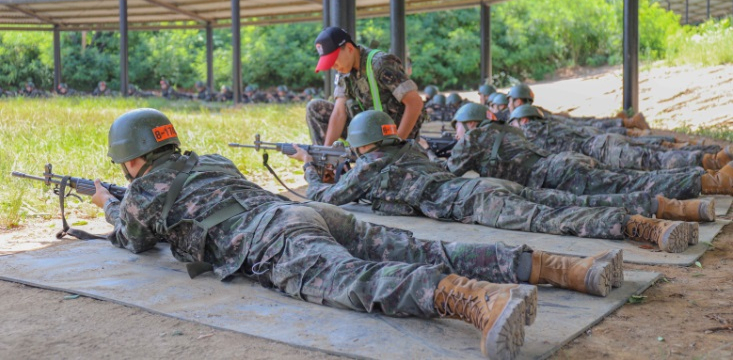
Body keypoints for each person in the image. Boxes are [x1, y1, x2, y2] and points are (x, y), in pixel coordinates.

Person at [91, 108, 537, 359]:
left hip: (273, 237)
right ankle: (549, 266)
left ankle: (482, 299)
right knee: (415, 245)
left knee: (354, 279)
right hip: (303, 211)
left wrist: (108, 203)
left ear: (130, 157)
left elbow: (134, 238)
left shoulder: (142, 191)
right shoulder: (209, 161)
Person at [290, 110, 698, 255]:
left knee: (554, 218)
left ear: (361, 143)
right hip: (486, 186)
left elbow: (329, 196)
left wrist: (311, 166)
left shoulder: (369, 165)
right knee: (559, 199)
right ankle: (672, 206)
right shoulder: (408, 151)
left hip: (477, 201)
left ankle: (642, 225)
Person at [445, 102, 732, 203]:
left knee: (636, 180)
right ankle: (710, 169)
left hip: (561, 173)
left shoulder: (473, 138)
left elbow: (447, 173)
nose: (457, 132)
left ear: (470, 124)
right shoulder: (509, 131)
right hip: (569, 163)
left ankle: (711, 180)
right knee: (639, 171)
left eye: (458, 127)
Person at [509, 105, 729, 172]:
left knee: (655, 160)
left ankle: (712, 160)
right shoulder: (548, 122)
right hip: (604, 142)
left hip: (601, 150)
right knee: (656, 152)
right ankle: (713, 154)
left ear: (524, 121)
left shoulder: (530, 133)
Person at [305, 27, 425, 146]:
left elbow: (415, 103)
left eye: (334, 60)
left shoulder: (380, 64)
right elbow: (339, 113)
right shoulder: (344, 71)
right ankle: (328, 163)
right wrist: (327, 152)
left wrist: (397, 144)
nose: (333, 67)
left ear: (349, 48)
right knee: (315, 107)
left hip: (393, 134)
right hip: (368, 133)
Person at [507, 83, 650, 132]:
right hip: (558, 123)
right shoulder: (534, 110)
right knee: (586, 125)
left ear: (518, 102)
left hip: (558, 125)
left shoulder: (523, 116)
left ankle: (627, 123)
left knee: (587, 128)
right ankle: (624, 122)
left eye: (510, 101)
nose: (508, 106)